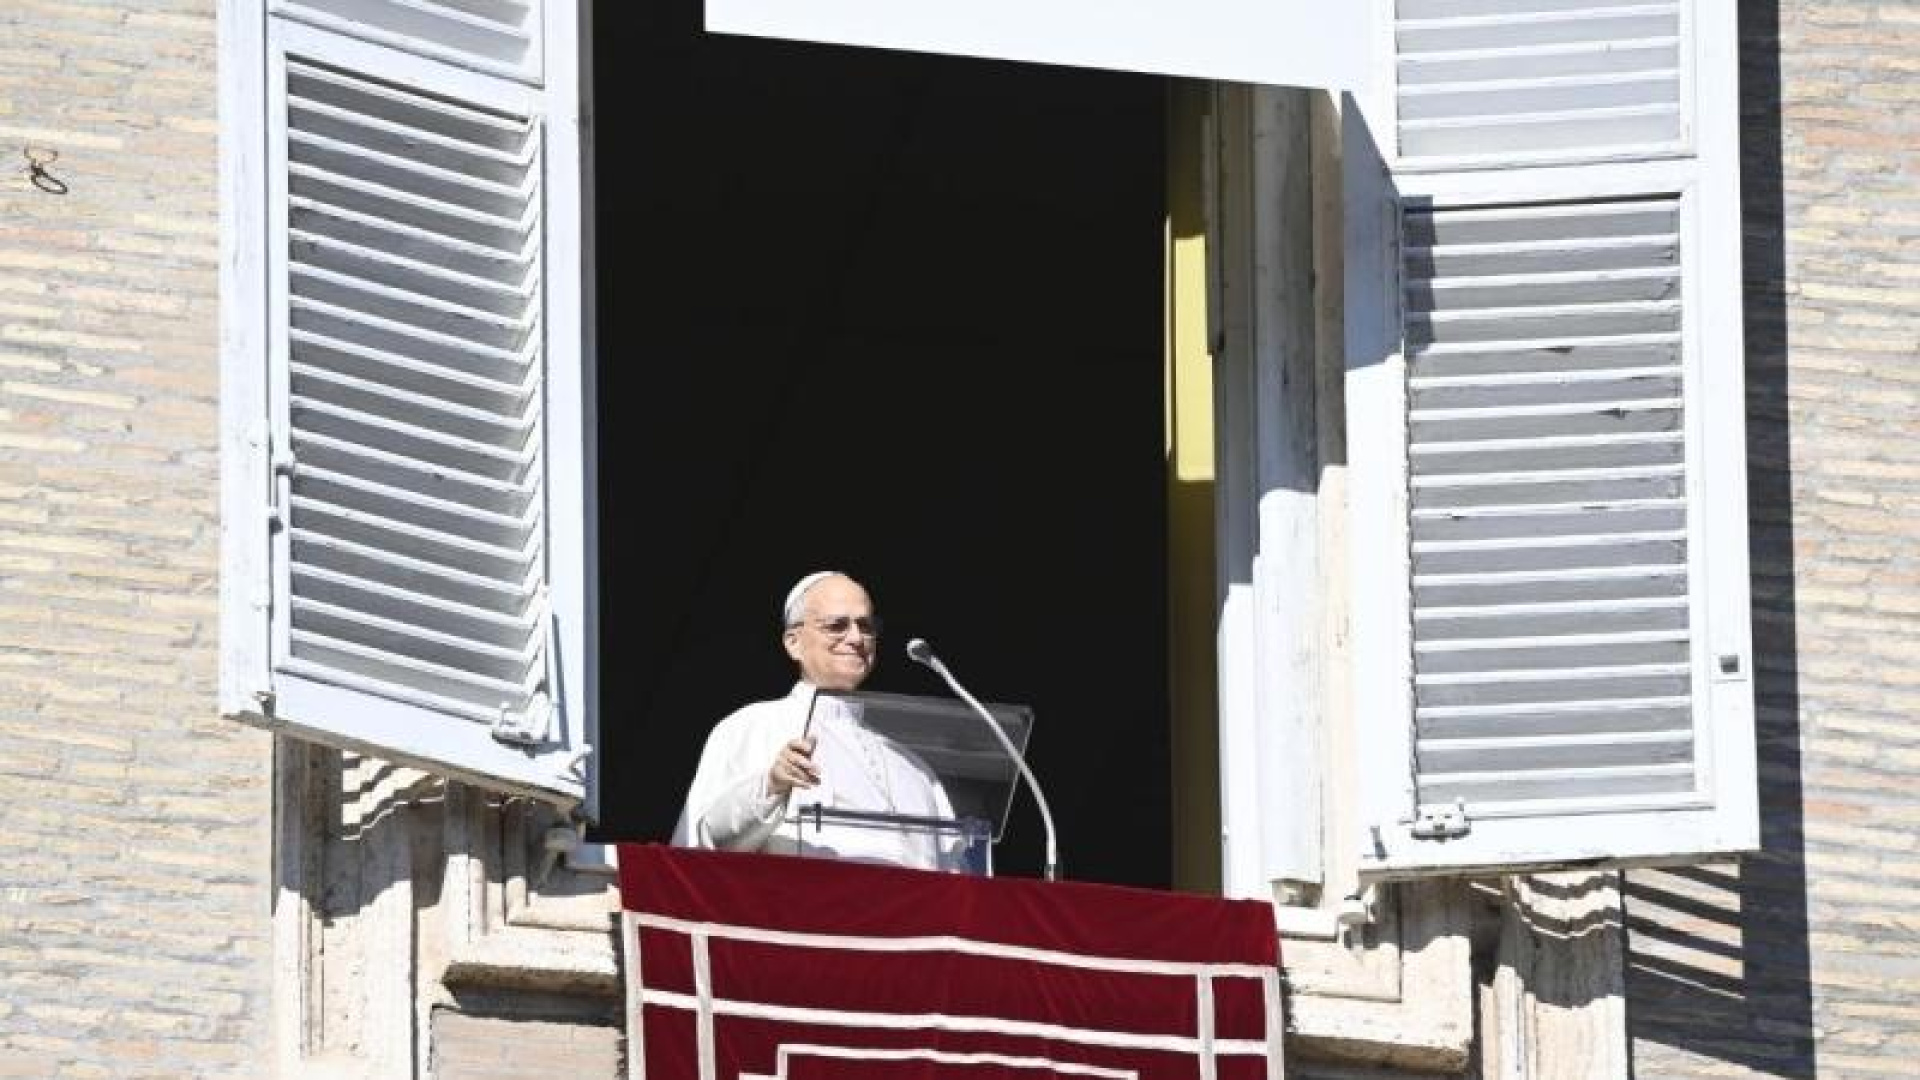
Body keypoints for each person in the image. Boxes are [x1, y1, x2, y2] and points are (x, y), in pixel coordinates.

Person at [671, 571, 961, 871]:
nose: (856, 638)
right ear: (793, 643)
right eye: (837, 626)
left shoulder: (911, 764)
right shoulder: (751, 726)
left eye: (866, 626)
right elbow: (699, 842)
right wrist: (771, 786)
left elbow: (957, 874)